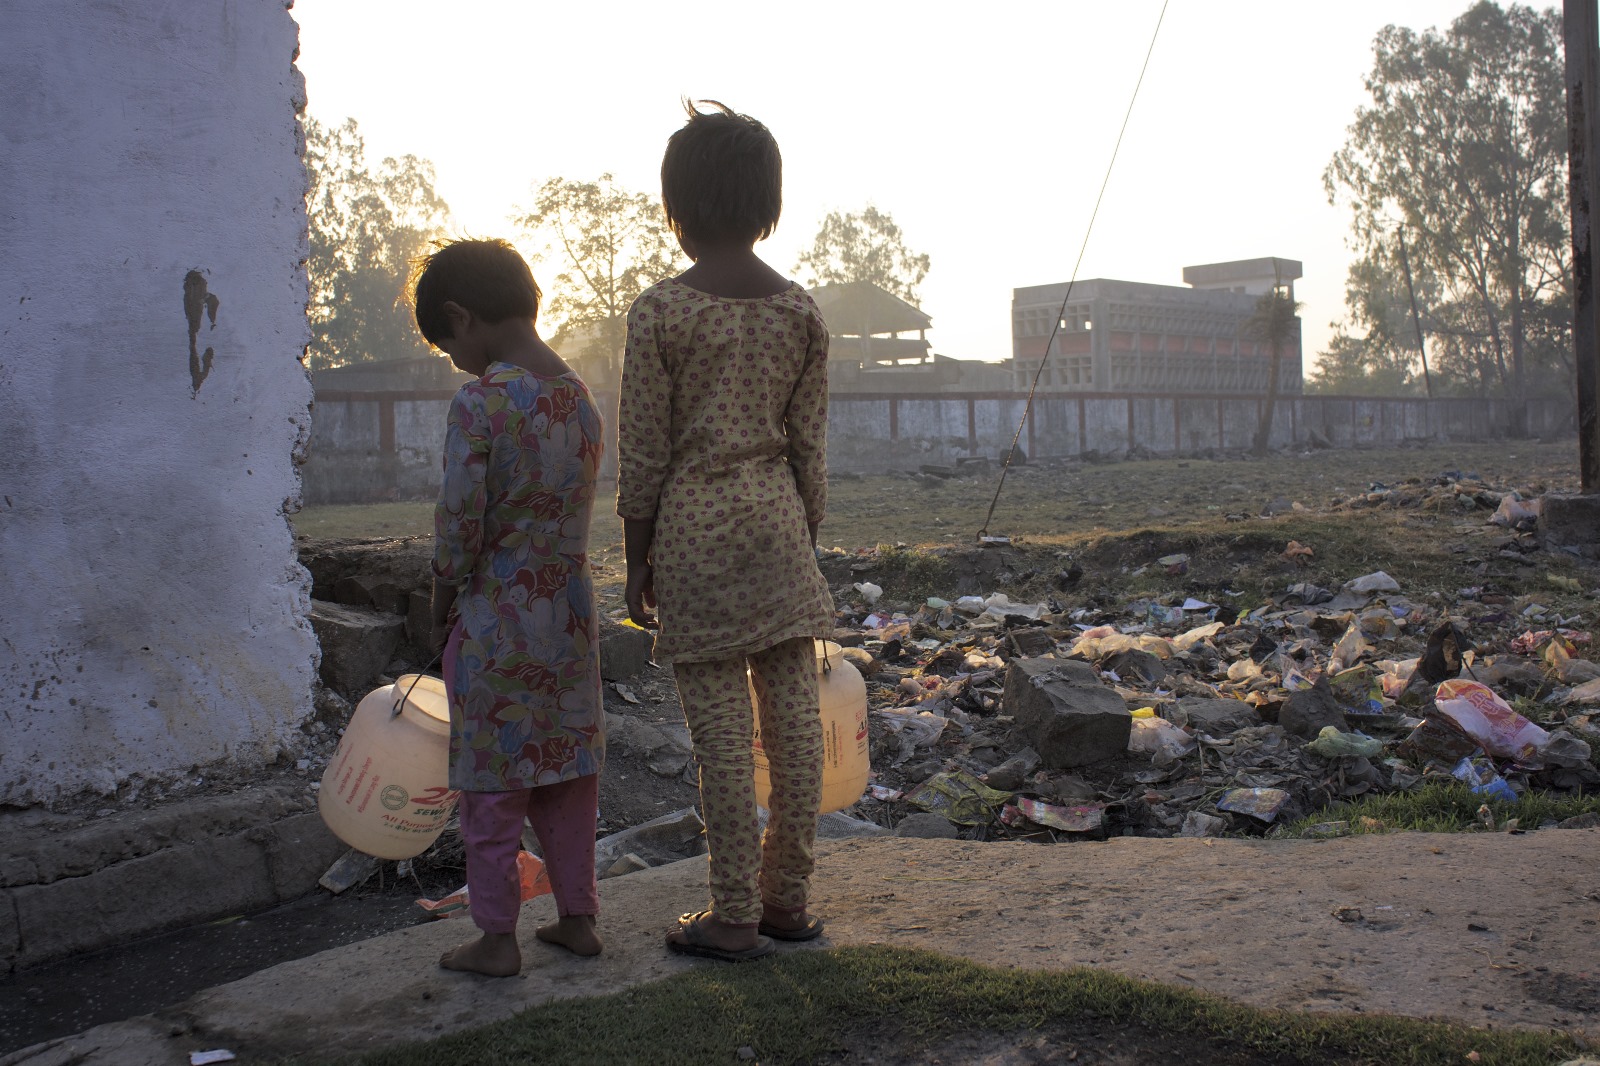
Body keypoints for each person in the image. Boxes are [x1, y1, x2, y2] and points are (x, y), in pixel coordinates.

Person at [617, 100, 834, 963]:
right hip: (778, 525)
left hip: (694, 535)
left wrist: (638, 562)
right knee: (794, 728)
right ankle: (789, 903)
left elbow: (643, 450)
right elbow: (810, 450)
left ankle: (732, 914)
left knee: (719, 735)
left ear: (678, 209)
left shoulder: (661, 312)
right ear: (766, 205)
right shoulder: (801, 312)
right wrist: (803, 538)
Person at [412, 239, 606, 976]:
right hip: (571, 618)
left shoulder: (481, 401)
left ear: (464, 316)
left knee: (492, 786)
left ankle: (497, 938)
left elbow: (458, 522)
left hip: (498, 621)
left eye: (449, 343)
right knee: (566, 776)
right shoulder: (582, 399)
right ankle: (577, 918)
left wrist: (439, 605)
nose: (455, 360)